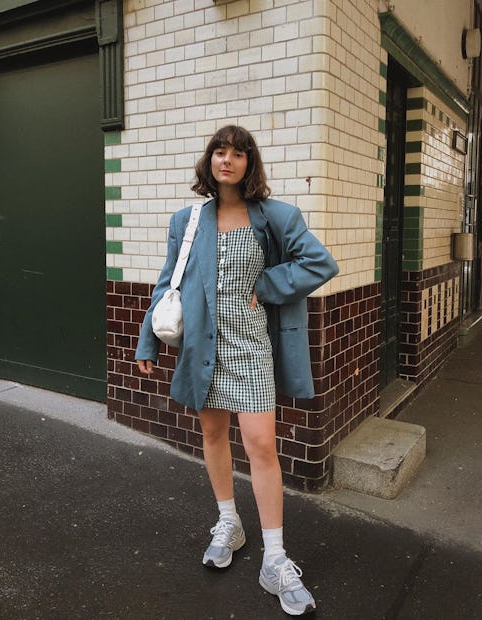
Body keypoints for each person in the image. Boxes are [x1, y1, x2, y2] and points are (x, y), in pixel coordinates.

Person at [136, 126, 338, 616]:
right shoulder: (188, 221)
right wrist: (147, 337)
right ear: (209, 160)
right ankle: (229, 521)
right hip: (202, 346)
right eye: (219, 151)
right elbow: (169, 282)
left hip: (251, 349)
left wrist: (268, 284)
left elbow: (320, 263)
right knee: (211, 435)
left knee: (262, 446)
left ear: (250, 162)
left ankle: (275, 557)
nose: (227, 160)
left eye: (238, 153)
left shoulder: (276, 217)